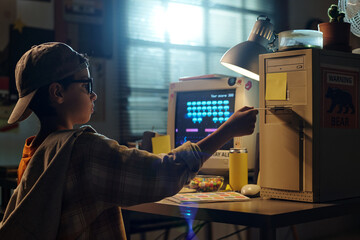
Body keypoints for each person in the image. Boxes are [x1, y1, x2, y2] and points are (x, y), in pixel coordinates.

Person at [0, 42, 258, 239]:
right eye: (87, 85)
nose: (95, 95)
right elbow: (166, 174)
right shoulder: (83, 149)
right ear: (57, 92)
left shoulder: (35, 152)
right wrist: (226, 131)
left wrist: (137, 155)